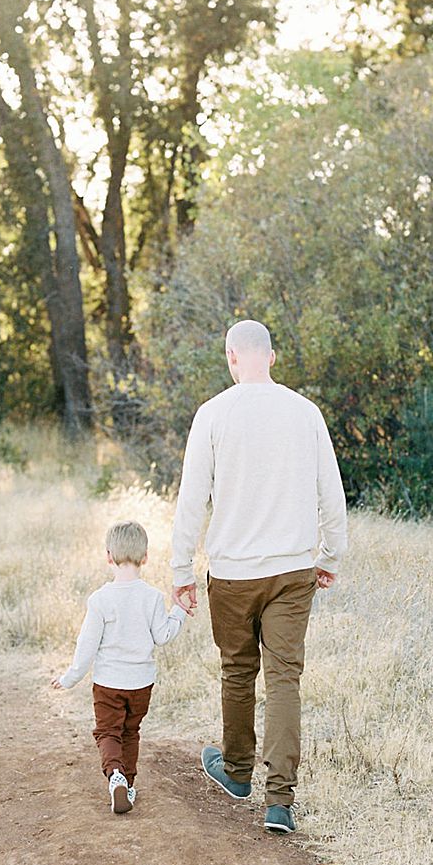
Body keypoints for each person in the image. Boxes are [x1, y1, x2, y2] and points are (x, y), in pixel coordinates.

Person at [170, 319, 348, 835]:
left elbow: (190, 501)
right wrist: (330, 556)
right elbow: (331, 496)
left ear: (231, 357)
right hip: (293, 570)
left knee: (237, 670)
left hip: (232, 574)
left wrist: (181, 569)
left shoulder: (212, 415)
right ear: (271, 357)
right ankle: (279, 802)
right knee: (285, 677)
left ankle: (237, 770)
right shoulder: (305, 413)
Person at [52, 521, 187, 814]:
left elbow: (86, 646)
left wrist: (70, 677)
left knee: (107, 732)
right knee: (130, 732)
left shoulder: (101, 599)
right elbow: (163, 636)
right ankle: (130, 783)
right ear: (146, 557)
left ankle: (116, 775)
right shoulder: (152, 597)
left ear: (108, 556)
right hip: (141, 683)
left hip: (109, 683)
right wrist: (180, 610)